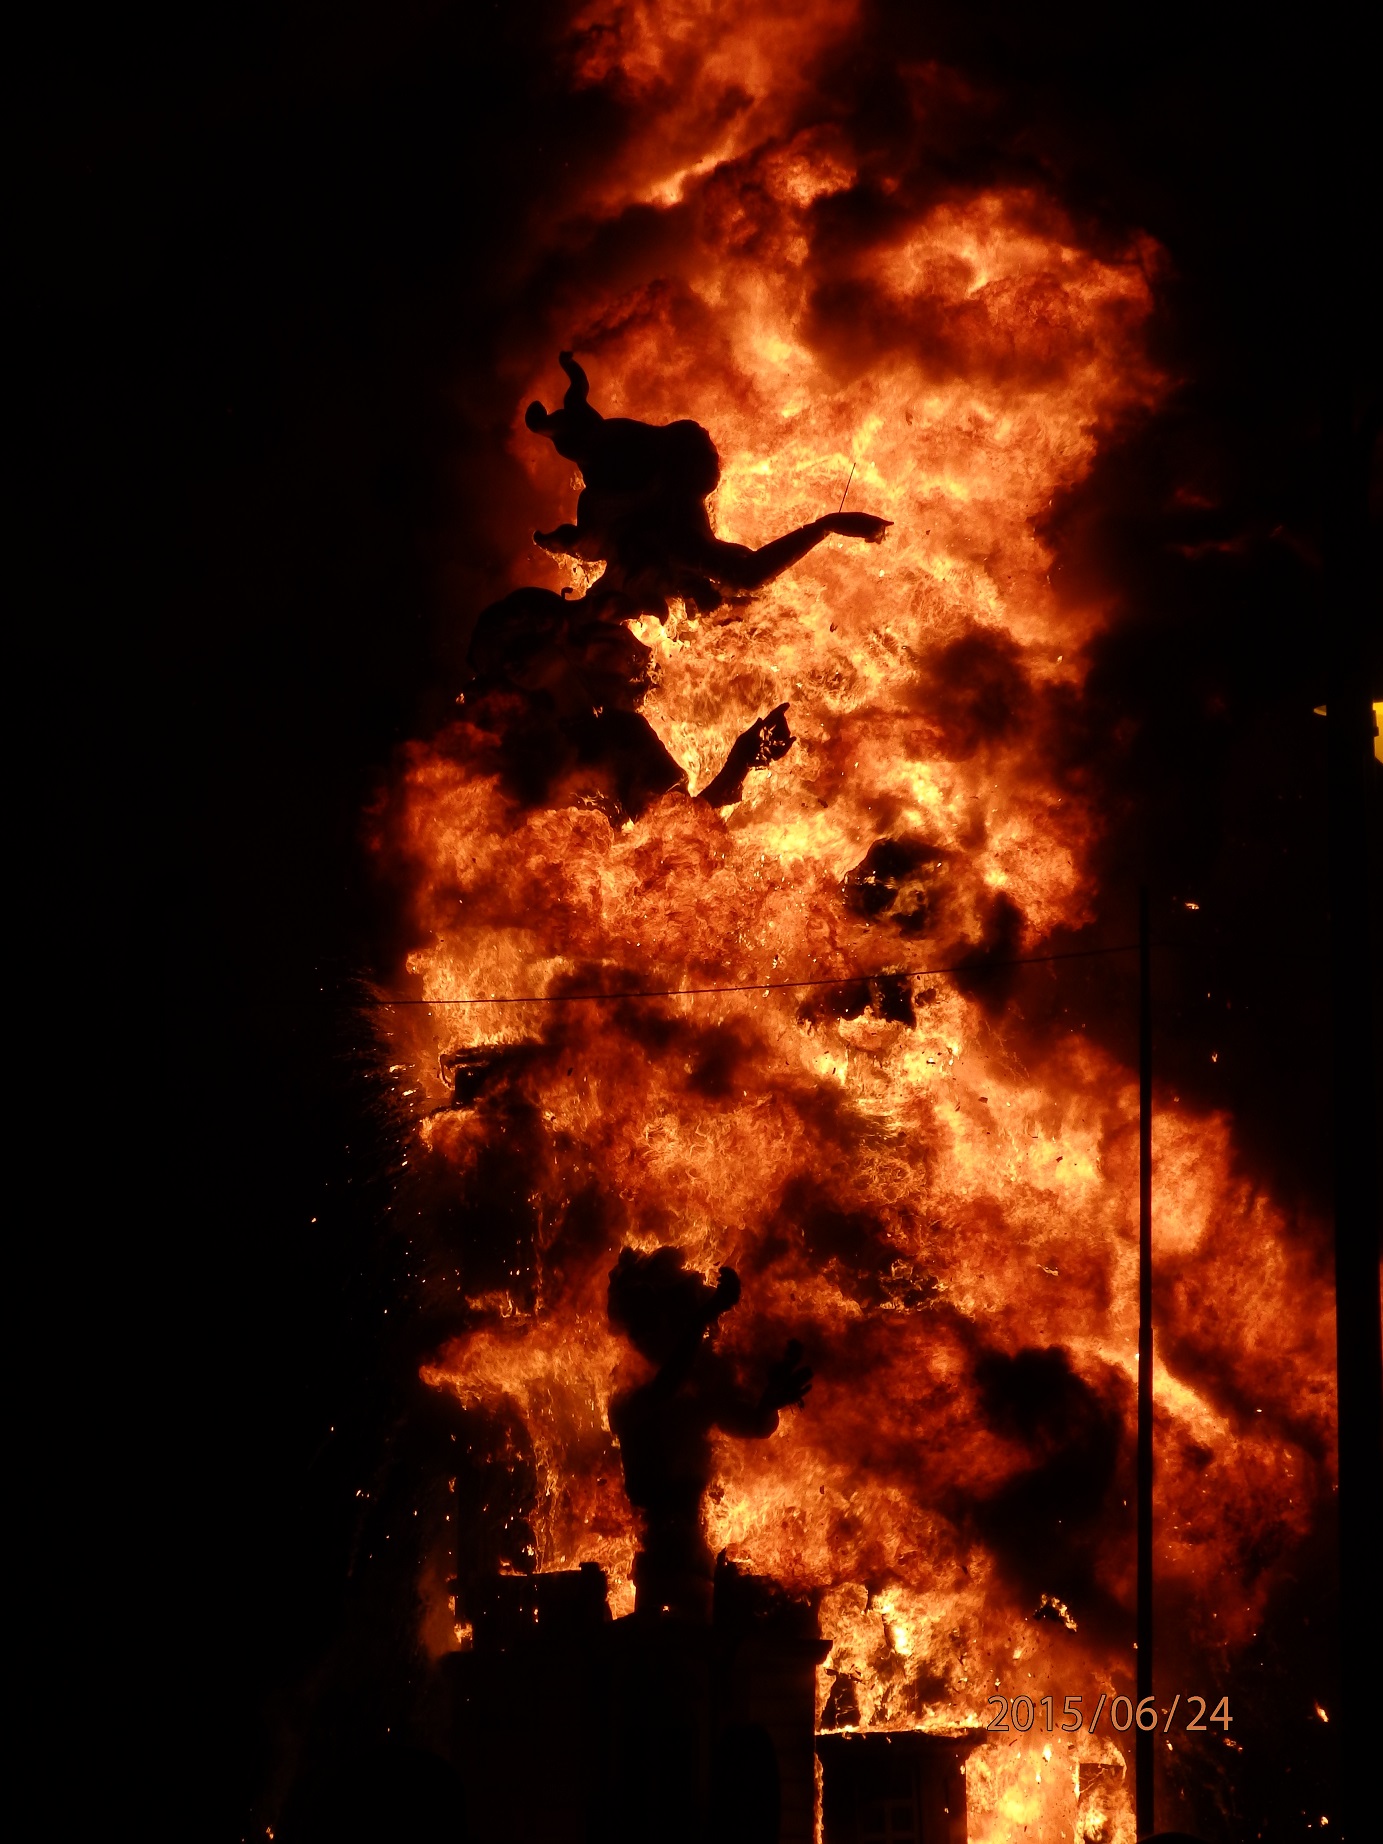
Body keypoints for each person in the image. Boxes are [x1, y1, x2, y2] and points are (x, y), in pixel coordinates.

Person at [525, 351, 891, 617]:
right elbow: (746, 576)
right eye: (706, 456)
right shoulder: (677, 532)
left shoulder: (677, 518)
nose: (715, 462)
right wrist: (827, 525)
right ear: (677, 469)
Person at [606, 1246, 811, 1619]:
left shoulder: (695, 1389)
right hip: (660, 1556)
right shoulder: (628, 1393)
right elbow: (665, 1387)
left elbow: (752, 1424)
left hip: (696, 1557)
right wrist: (703, 1316)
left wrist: (768, 1402)